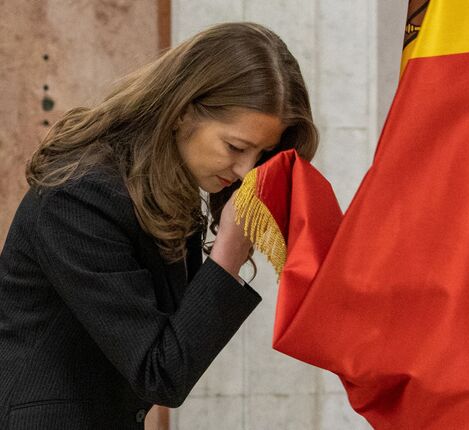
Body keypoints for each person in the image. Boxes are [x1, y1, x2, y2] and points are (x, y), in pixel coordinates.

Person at [0, 22, 318, 429]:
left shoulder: (159, 191)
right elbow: (161, 373)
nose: (245, 171)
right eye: (236, 147)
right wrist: (228, 254)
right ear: (183, 111)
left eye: (260, 155)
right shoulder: (80, 196)